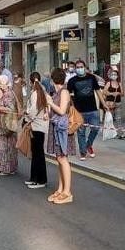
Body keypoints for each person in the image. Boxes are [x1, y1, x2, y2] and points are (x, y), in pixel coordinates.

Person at [46, 68, 76, 204]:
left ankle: (67, 192)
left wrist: (51, 103)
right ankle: (61, 189)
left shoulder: (63, 92)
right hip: (56, 128)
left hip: (62, 130)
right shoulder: (58, 92)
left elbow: (62, 111)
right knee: (59, 158)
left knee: (63, 158)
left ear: (53, 80)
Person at [66, 59, 102, 160]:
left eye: (81, 67)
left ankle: (88, 145)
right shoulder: (72, 81)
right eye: (77, 67)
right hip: (79, 111)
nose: (79, 69)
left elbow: (98, 91)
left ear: (85, 68)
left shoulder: (92, 78)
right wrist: (69, 108)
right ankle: (83, 152)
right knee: (81, 132)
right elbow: (67, 94)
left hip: (93, 109)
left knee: (95, 129)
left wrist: (103, 104)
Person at [0, 74, 19, 175]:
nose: (0, 87)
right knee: (5, 146)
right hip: (4, 123)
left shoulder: (8, 94)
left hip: (6, 124)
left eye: (1, 85)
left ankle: (6, 169)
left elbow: (10, 109)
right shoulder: (8, 93)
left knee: (4, 147)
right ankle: (5, 168)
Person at [24, 72, 49, 189]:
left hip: (37, 126)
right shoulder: (43, 91)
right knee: (36, 153)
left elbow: (33, 110)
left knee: (38, 154)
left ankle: (41, 180)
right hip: (40, 126)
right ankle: (33, 178)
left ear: (30, 82)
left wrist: (27, 116)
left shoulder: (35, 93)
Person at [103, 66, 125, 140]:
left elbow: (123, 93)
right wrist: (111, 93)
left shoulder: (119, 84)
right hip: (110, 103)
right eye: (112, 74)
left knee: (118, 119)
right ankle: (109, 133)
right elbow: (104, 92)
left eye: (115, 74)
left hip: (118, 103)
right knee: (110, 118)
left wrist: (118, 93)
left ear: (117, 76)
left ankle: (120, 134)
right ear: (110, 76)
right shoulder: (108, 83)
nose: (114, 76)